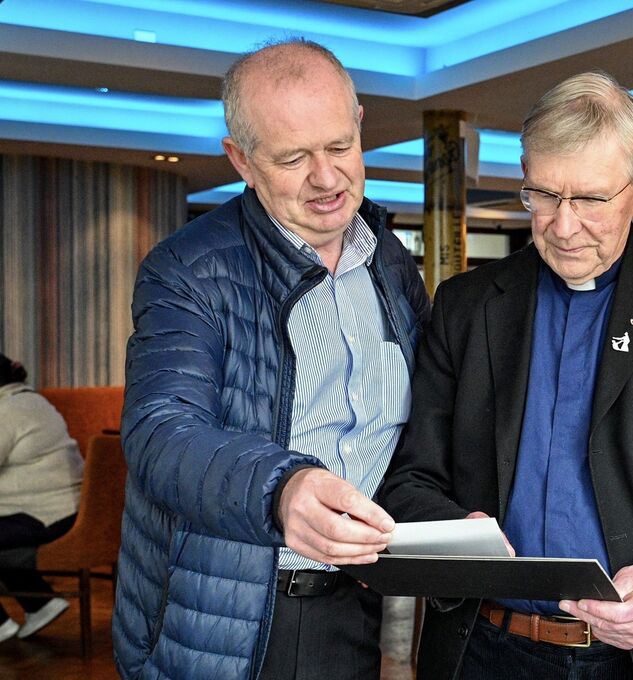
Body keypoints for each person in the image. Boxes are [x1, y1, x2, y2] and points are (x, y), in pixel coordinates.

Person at [379, 71, 633, 680]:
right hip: (484, 648)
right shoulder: (466, 305)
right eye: (544, 195)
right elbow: (410, 478)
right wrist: (451, 531)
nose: (562, 224)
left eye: (588, 199)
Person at [113, 39, 429, 679]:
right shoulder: (188, 269)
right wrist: (281, 489)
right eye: (292, 157)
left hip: (357, 604)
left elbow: (407, 427)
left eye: (340, 146)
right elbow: (159, 430)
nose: (326, 177)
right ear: (241, 161)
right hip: (217, 620)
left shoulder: (390, 262)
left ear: (360, 123)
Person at [0, 354, 81, 642]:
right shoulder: (32, 401)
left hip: (42, 515)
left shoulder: (7, 410)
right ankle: (40, 603)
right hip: (63, 508)